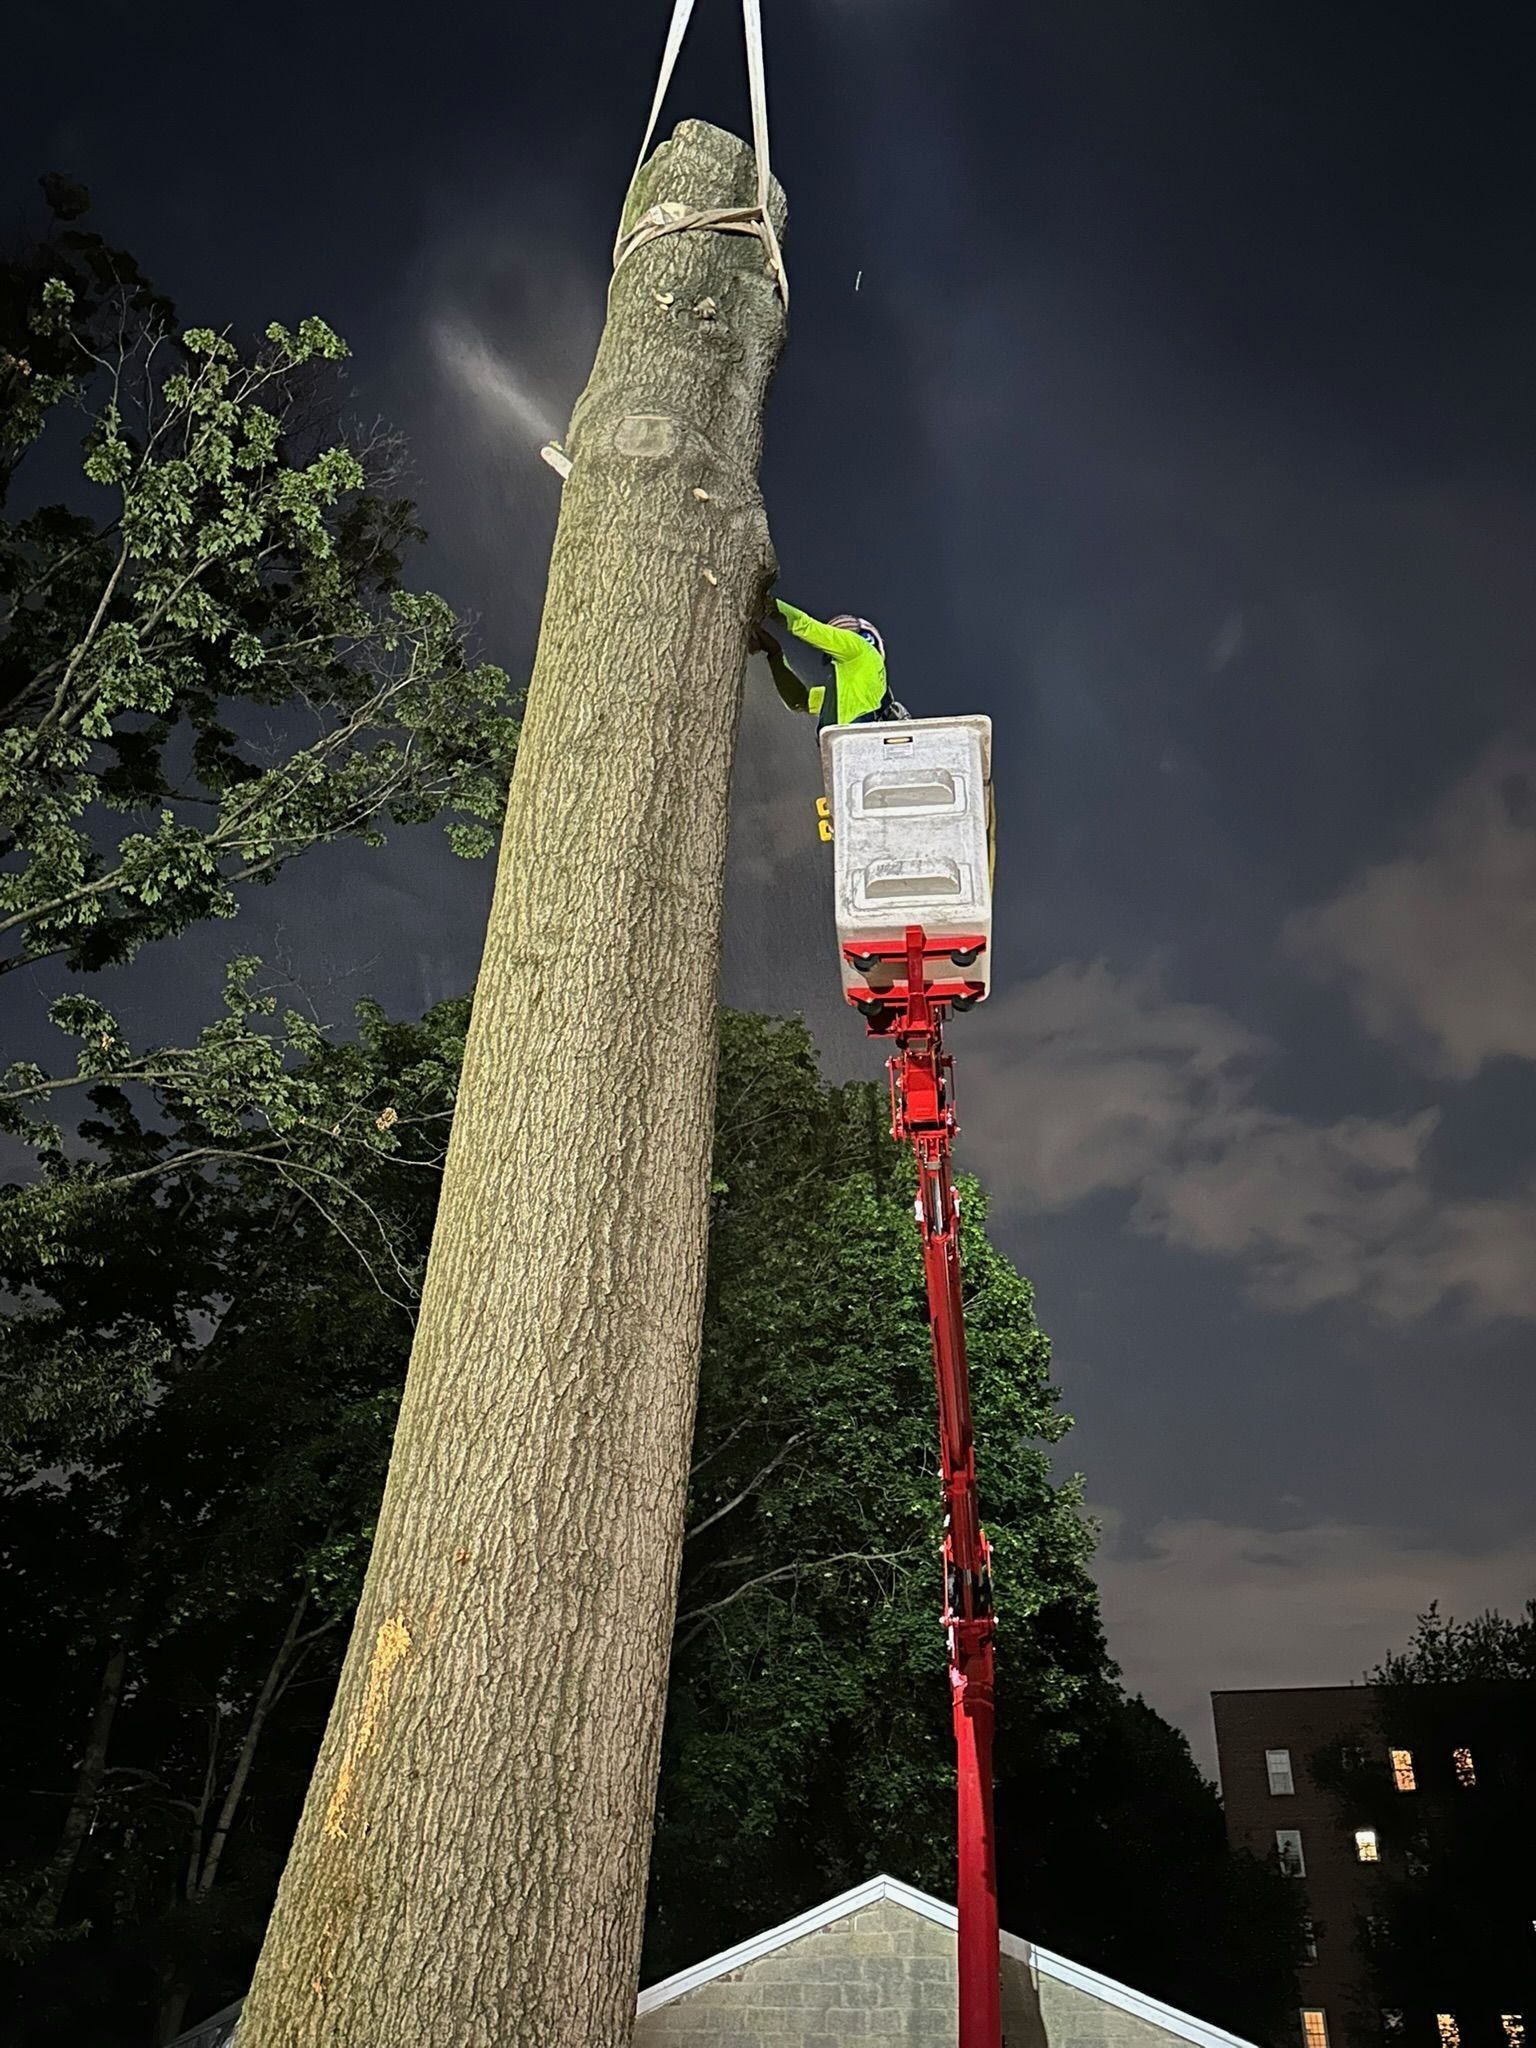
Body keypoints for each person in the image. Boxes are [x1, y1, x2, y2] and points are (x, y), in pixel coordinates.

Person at [754, 598, 909, 726]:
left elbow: (806, 626)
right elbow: (799, 701)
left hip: (851, 741)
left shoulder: (857, 647)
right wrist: (775, 655)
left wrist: (769, 604)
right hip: (848, 750)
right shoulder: (853, 691)